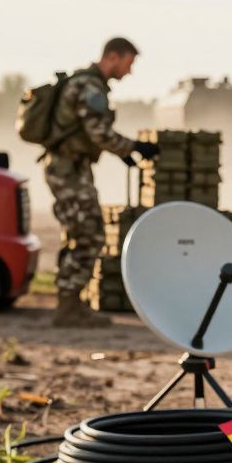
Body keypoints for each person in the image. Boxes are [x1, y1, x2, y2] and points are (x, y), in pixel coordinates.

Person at [45, 37, 159, 328]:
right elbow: (99, 133)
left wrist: (124, 153)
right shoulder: (89, 86)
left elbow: (88, 133)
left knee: (79, 233)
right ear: (112, 57)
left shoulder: (89, 85)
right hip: (68, 170)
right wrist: (133, 146)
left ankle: (71, 302)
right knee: (90, 234)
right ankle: (68, 306)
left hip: (72, 167)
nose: (129, 71)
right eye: (128, 63)